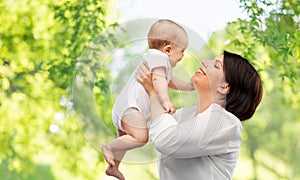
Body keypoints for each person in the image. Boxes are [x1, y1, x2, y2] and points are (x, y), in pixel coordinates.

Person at [135, 51, 263, 179]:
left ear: (224, 87)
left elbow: (167, 141)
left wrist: (153, 92)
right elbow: (142, 128)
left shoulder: (226, 123)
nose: (205, 62)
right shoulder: (184, 115)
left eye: (216, 65)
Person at [101, 19, 194, 180]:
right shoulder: (159, 58)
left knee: (124, 141)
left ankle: (114, 167)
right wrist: (165, 101)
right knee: (140, 137)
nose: (183, 56)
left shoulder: (161, 63)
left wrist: (187, 86)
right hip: (131, 108)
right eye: (182, 51)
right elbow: (158, 81)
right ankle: (108, 147)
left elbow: (168, 80)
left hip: (125, 108)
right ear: (168, 50)